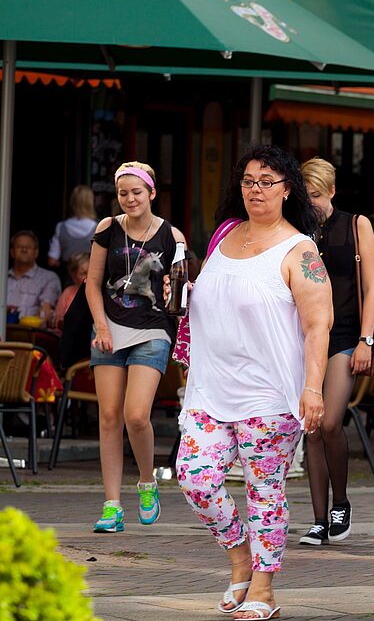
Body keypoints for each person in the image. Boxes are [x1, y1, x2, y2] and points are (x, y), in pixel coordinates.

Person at [176, 145, 331, 620]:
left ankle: (262, 590)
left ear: (288, 190)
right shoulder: (224, 233)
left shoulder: (299, 249)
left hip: (269, 396)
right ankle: (239, 558)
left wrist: (313, 387)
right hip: (210, 388)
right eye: (248, 180)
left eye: (267, 181)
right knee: (195, 478)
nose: (256, 189)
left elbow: (317, 323)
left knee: (266, 494)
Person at [85, 162, 186, 534]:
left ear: (152, 193)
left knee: (136, 415)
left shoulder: (171, 236)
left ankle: (147, 482)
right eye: (123, 193)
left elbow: (180, 293)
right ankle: (112, 505)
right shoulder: (107, 229)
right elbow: (92, 283)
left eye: (137, 192)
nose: (130, 199)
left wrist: (174, 293)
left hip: (151, 330)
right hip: (108, 329)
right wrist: (100, 327)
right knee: (109, 417)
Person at [299, 156, 374, 546]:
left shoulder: (355, 225)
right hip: (304, 336)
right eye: (305, 195)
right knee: (311, 427)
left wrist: (367, 339)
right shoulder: (295, 228)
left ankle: (341, 502)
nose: (311, 203)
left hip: (347, 333)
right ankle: (318, 518)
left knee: (330, 421)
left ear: (331, 191)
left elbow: (371, 289)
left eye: (316, 195)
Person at [8, 230, 61, 322]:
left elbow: (45, 312)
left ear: (36, 252)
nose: (24, 250)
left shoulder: (49, 278)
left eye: (28, 247)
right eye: (19, 246)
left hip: (30, 333)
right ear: (12, 252)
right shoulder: (2, 278)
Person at [49, 184, 98, 274]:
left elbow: (52, 260)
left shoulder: (61, 227)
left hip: (66, 278)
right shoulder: (97, 228)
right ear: (90, 202)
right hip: (89, 279)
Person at [53, 251, 90, 328]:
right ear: (74, 276)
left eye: (91, 271)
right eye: (84, 273)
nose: (89, 276)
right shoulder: (68, 292)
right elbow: (57, 320)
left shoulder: (102, 292)